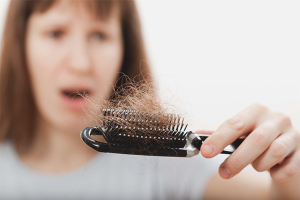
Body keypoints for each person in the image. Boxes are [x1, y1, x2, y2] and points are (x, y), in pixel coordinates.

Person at [0, 0, 299, 199]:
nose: (80, 62)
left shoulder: (166, 165)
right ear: (21, 46)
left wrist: (288, 168)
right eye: (55, 33)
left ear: (124, 50)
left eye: (100, 35)